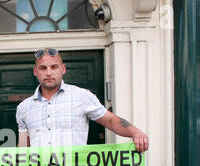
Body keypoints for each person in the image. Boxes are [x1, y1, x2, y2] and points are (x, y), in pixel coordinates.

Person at [16, 48, 149, 152]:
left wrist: (135, 132)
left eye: (54, 67)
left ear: (63, 69)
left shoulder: (82, 97)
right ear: (35, 71)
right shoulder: (24, 108)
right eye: (43, 68)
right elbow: (22, 148)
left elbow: (110, 120)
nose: (49, 73)